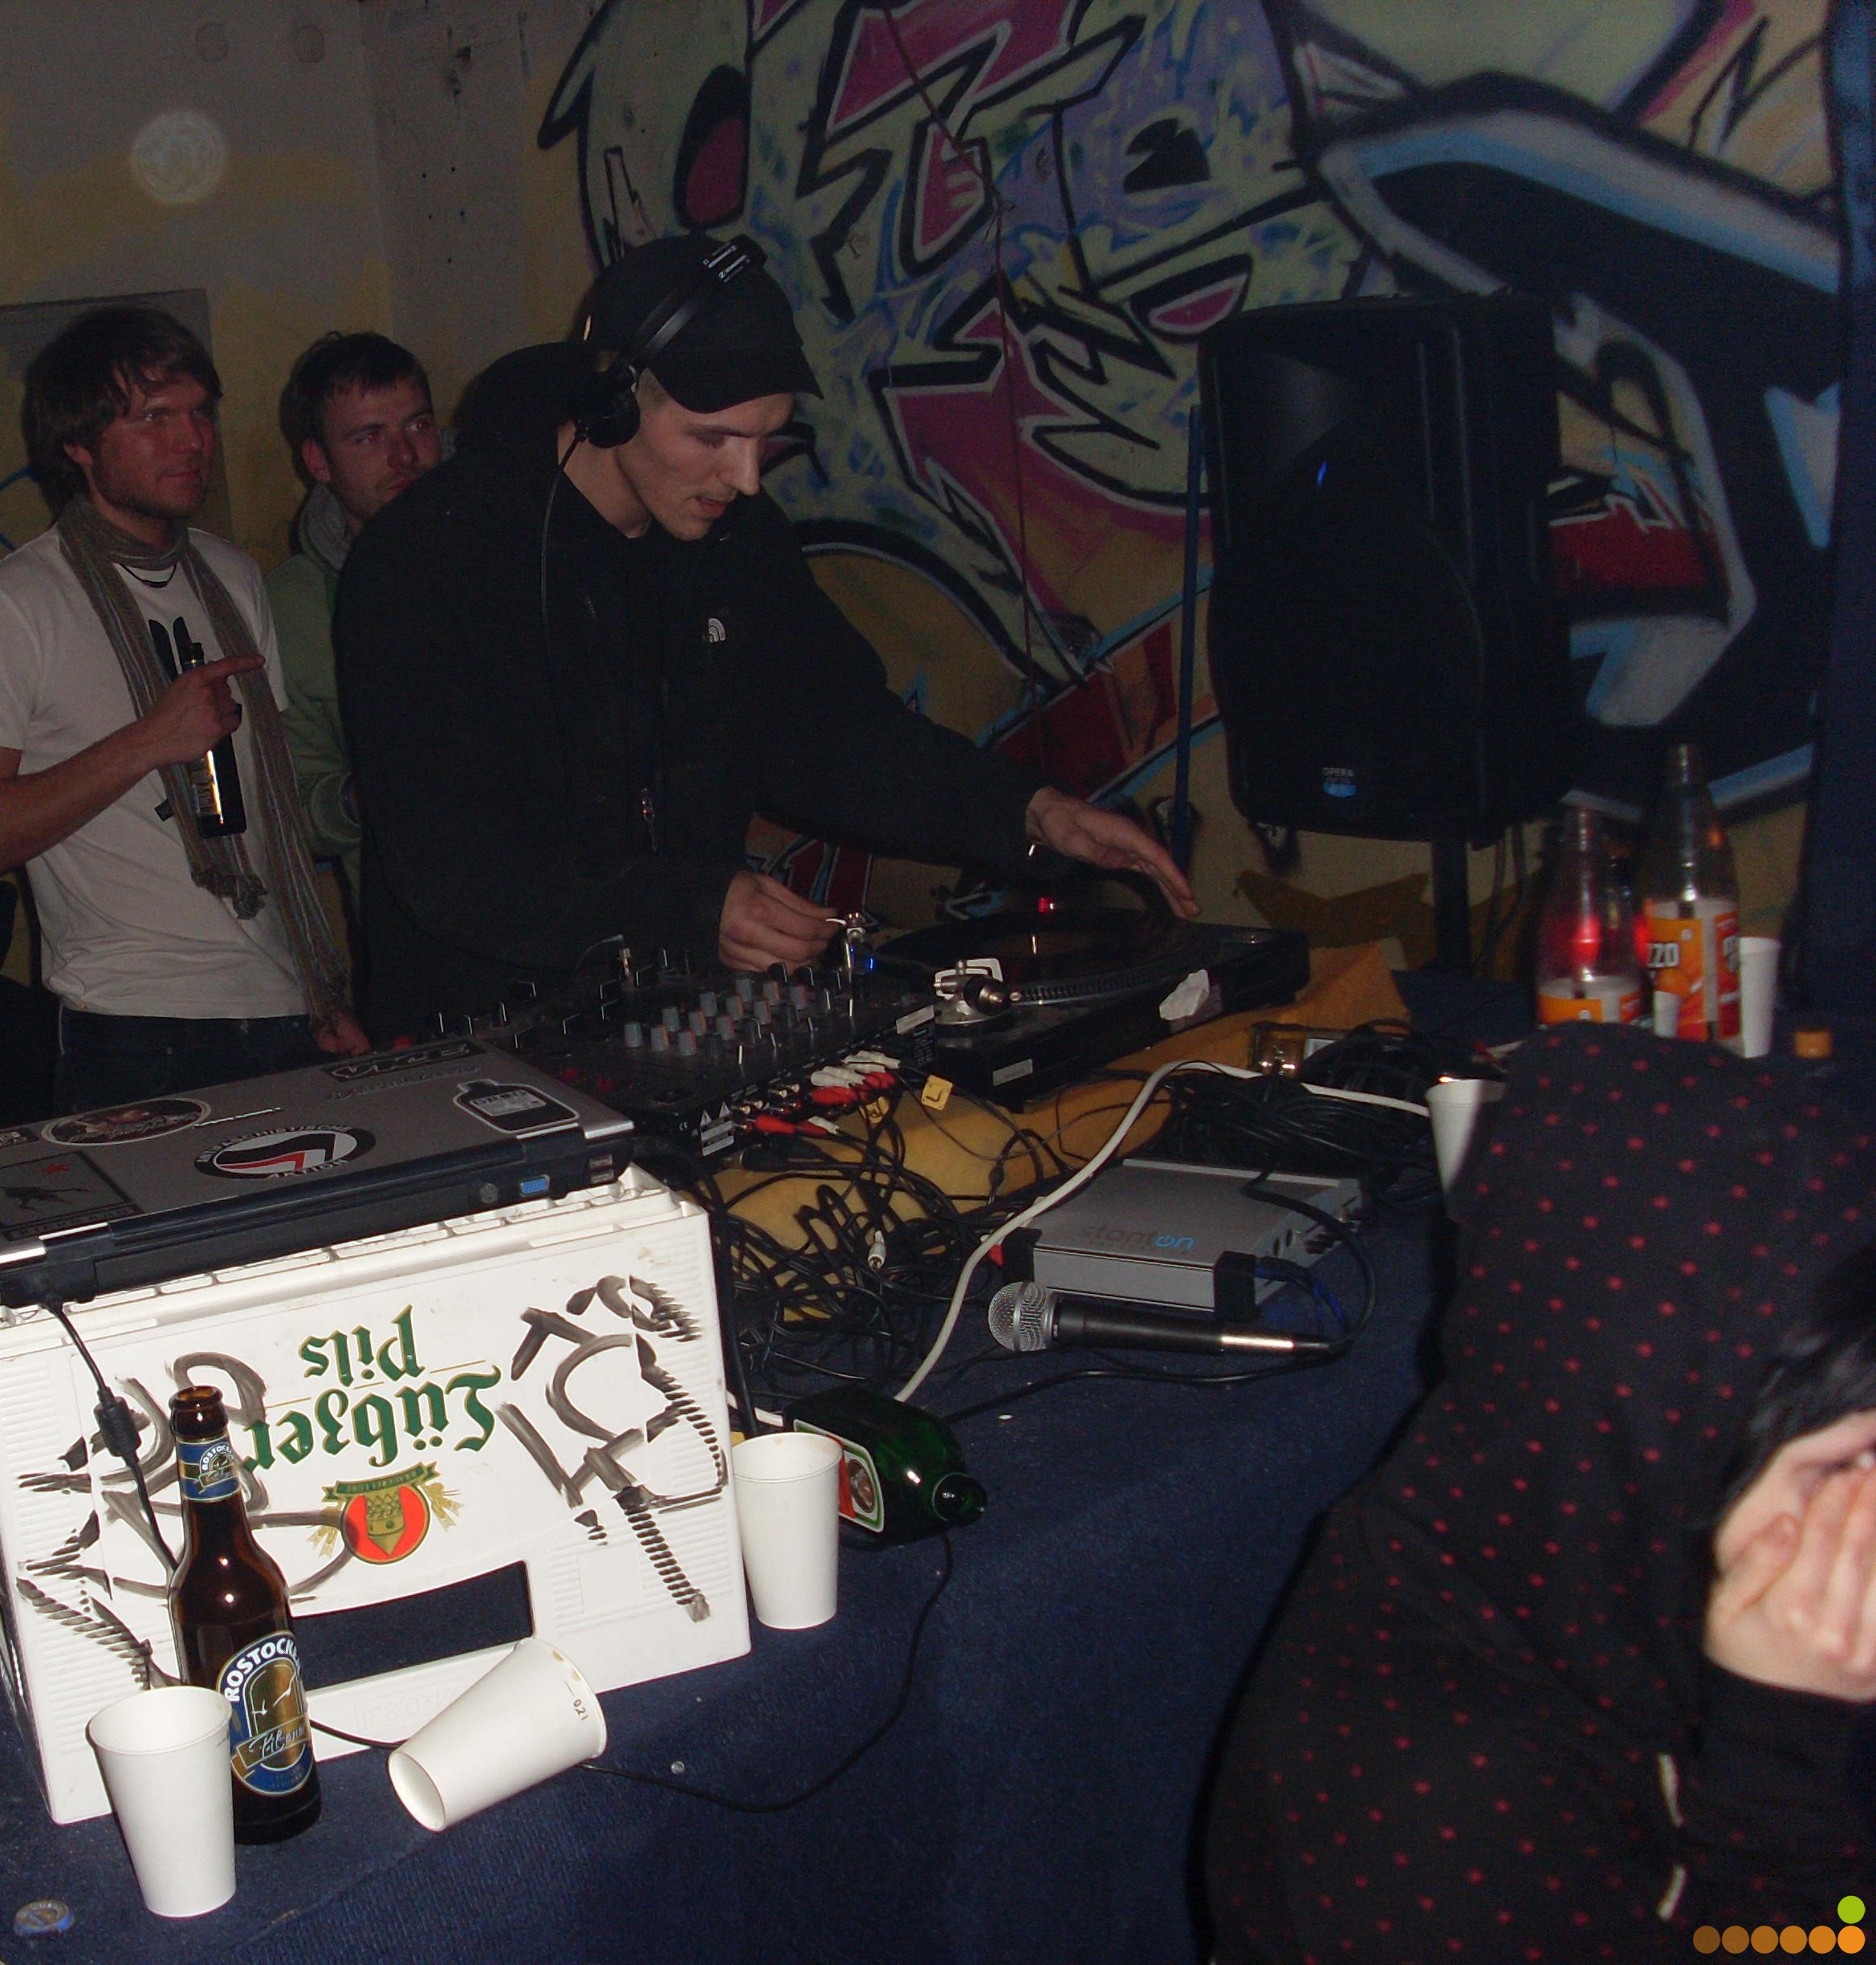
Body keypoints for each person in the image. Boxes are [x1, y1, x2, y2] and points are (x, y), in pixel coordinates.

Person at [334, 231, 1194, 1040]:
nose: (744, 478)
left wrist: (1026, 810)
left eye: (762, 439)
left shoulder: (737, 540)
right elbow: (451, 862)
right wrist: (690, 908)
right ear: (613, 407)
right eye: (712, 438)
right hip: (483, 1040)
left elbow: (834, 732)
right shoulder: (428, 559)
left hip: (675, 1023)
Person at [1204, 1028, 1876, 1959]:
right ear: (1656, 1439)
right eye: (1847, 1465)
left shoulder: (1591, 1566)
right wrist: (1776, 1795)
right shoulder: (1435, 1823)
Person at [0, 306, 364, 1112]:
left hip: (282, 1003)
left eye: (200, 413)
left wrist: (318, 991)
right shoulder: (7, 606)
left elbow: (269, 810)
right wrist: (149, 742)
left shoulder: (232, 575)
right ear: (78, 445)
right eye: (155, 418)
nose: (192, 441)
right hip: (136, 1026)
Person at [267, 332, 442, 904]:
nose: (404, 455)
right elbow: (291, 807)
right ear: (318, 461)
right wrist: (363, 796)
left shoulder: (515, 551)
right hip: (413, 920)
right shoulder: (292, 609)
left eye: (418, 425)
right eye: (369, 437)